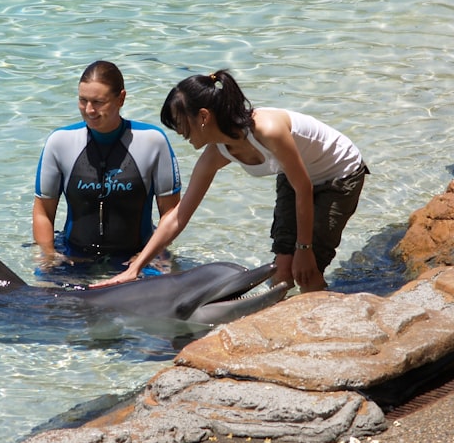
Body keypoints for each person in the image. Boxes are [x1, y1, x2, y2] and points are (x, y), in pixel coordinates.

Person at [91, 69, 367, 291]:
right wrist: (135, 268)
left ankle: (324, 328)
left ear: (203, 117)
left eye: (179, 122)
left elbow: (304, 187)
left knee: (307, 269)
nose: (178, 132)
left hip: (339, 173)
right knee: (281, 271)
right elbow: (178, 216)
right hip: (294, 176)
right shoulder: (217, 153)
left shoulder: (267, 130)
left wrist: (304, 248)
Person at [33, 60, 182, 279]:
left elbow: (171, 212)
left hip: (138, 254)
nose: (89, 110)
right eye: (83, 101)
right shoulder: (60, 142)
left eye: (98, 102)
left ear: (121, 98)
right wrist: (48, 255)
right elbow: (43, 211)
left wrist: (149, 255)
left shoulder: (152, 141)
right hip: (74, 253)